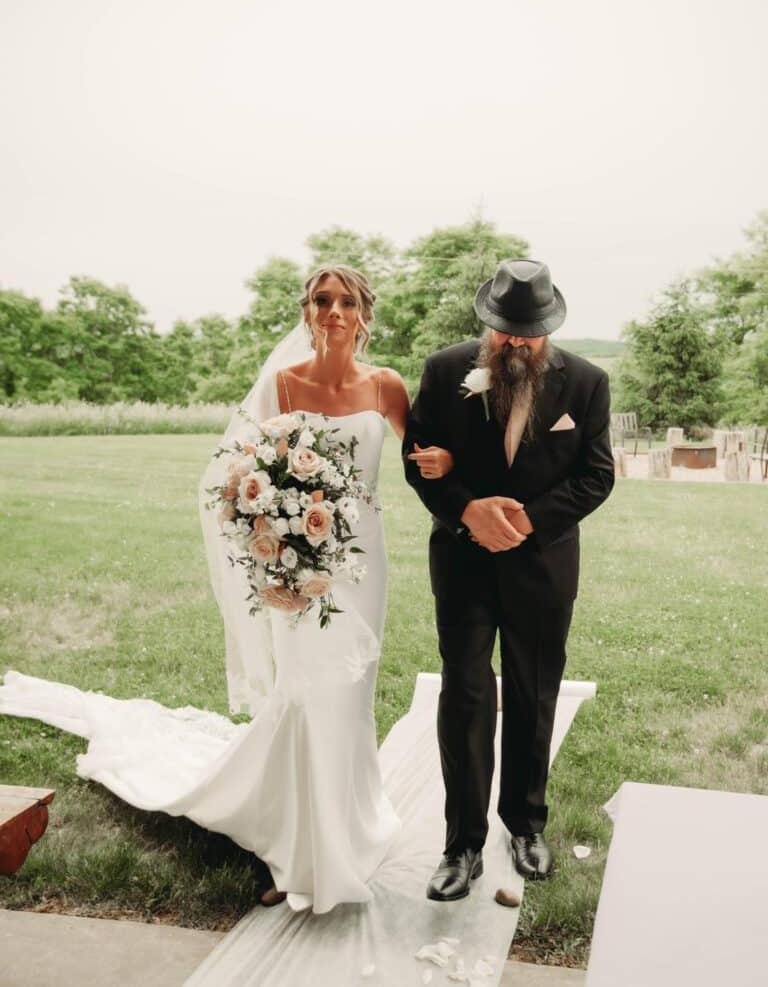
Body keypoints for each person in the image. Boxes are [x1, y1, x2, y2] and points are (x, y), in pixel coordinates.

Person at [0, 264, 453, 915]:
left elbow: (420, 459)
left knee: (348, 699)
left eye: (345, 300)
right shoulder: (281, 382)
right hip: (291, 567)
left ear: (363, 313)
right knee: (301, 696)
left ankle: (350, 826)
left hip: (360, 565)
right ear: (306, 311)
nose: (332, 310)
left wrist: (445, 462)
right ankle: (296, 851)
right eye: (321, 299)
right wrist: (268, 552)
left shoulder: (386, 386)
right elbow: (237, 475)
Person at [403, 258, 614, 901]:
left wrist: (525, 520)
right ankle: (461, 845)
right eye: (504, 332)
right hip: (463, 561)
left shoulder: (587, 382)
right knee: (466, 694)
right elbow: (421, 460)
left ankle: (524, 825)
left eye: (527, 333)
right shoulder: (444, 370)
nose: (515, 344)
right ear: (487, 323)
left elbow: (595, 475)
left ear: (548, 325)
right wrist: (468, 509)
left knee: (534, 691)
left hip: (543, 565)